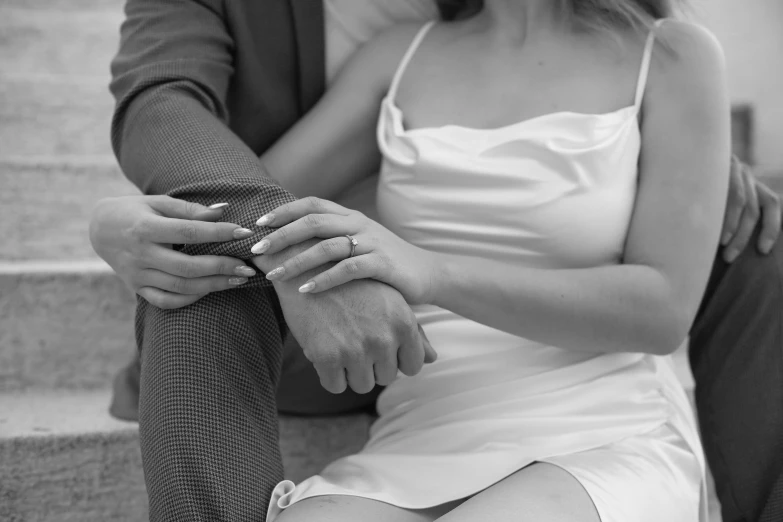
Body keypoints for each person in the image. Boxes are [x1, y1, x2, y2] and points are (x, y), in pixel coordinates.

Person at [88, 0, 783, 521]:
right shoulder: (402, 51)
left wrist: (424, 270)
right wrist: (115, 221)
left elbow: (660, 310)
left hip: (595, 425)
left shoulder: (673, 53)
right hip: (422, 424)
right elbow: (253, 207)